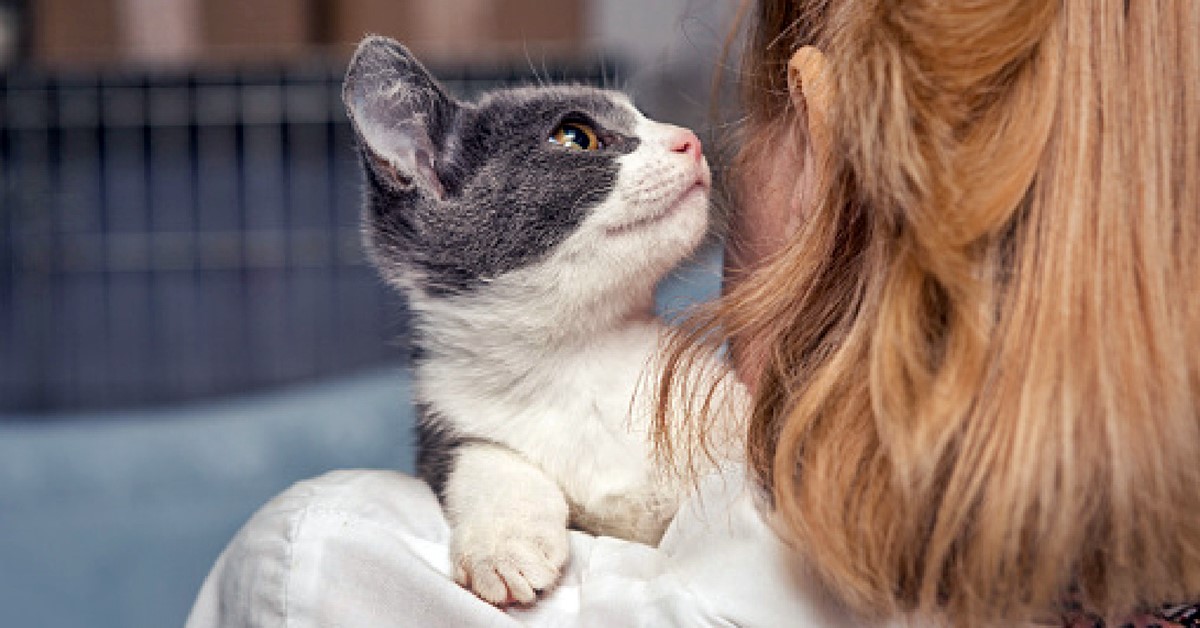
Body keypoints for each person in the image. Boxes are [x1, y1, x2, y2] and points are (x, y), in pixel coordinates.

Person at [188, 1, 1200, 626]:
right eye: (591, 134)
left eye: (727, 119)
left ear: (822, 132)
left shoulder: (326, 570)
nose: (688, 146)